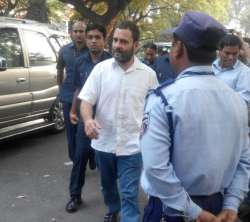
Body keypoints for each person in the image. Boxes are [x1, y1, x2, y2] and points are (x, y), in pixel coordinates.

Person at [140, 11, 250, 222]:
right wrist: (232, 203)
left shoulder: (164, 99)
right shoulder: (236, 101)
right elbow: (245, 160)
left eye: (173, 44)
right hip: (219, 206)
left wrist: (193, 211)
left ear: (179, 48)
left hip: (171, 209)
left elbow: (155, 168)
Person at [78, 21, 158, 222]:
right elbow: (86, 100)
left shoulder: (148, 75)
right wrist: (88, 120)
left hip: (132, 146)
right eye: (115, 40)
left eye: (123, 41)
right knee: (107, 186)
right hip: (103, 143)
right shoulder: (101, 70)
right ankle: (113, 209)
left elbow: (155, 109)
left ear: (136, 45)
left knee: (129, 193)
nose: (117, 45)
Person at [64, 23, 111, 213]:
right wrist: (73, 110)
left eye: (97, 37)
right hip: (86, 117)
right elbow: (78, 88)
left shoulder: (111, 61)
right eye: (90, 37)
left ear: (104, 40)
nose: (92, 40)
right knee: (80, 156)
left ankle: (112, 204)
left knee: (106, 162)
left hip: (107, 119)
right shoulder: (80, 61)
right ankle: (75, 196)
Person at [56, 21, 87, 213]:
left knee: (83, 139)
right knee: (72, 137)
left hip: (87, 101)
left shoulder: (92, 51)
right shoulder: (64, 51)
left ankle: (84, 157)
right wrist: (60, 90)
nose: (79, 34)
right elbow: (60, 70)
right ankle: (79, 158)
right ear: (70, 33)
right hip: (68, 97)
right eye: (75, 31)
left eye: (81, 31)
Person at [212, 34, 250, 104]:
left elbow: (243, 100)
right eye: (227, 53)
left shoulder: (245, 72)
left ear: (239, 52)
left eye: (235, 54)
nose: (231, 57)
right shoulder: (210, 66)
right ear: (219, 51)